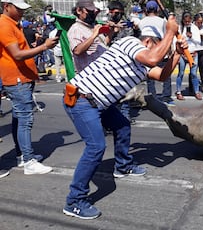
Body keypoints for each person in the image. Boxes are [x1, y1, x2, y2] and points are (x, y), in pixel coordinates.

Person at [62, 15, 187, 219]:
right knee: (96, 147)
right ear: (148, 41)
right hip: (82, 99)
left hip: (100, 103)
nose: (161, 53)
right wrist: (171, 32)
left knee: (122, 125)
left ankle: (122, 165)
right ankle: (74, 201)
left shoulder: (143, 61)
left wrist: (177, 55)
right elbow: (153, 58)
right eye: (158, 46)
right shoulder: (130, 43)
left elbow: (162, 75)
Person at [0, 0, 58, 175]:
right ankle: (28, 160)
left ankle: (22, 155)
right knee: (25, 119)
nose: (22, 12)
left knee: (19, 118)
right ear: (6, 6)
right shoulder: (4, 25)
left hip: (21, 77)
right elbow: (17, 54)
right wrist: (43, 47)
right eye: (18, 8)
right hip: (17, 78)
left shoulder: (12, 24)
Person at [140, 1, 174, 106]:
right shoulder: (162, 21)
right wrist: (169, 48)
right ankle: (167, 97)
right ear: (157, 10)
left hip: (145, 46)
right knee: (165, 71)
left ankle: (152, 96)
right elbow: (166, 35)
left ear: (146, 10)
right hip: (158, 45)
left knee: (149, 72)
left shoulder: (142, 21)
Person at [67, 0, 107, 73]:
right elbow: (77, 50)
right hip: (88, 75)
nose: (92, 14)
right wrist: (93, 36)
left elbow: (104, 44)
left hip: (101, 72)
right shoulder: (76, 28)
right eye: (89, 11)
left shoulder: (93, 27)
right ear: (79, 11)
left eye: (93, 11)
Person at [175, 11, 203, 100]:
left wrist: (191, 37)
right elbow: (176, 40)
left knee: (194, 74)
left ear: (191, 20)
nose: (187, 23)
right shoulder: (180, 28)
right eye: (185, 21)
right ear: (183, 20)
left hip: (193, 54)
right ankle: (178, 91)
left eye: (188, 21)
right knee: (181, 73)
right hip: (183, 54)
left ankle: (196, 91)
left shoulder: (194, 28)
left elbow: (198, 41)